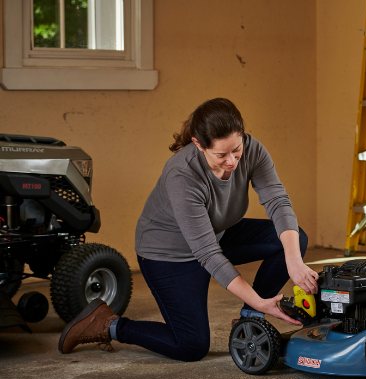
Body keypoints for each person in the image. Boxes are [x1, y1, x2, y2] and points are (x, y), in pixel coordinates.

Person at [59, 98, 319, 361]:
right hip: (169, 255)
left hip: (217, 235)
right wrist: (258, 298)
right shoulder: (182, 174)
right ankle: (107, 324)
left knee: (292, 239)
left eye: (236, 150)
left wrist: (294, 262)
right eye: (221, 155)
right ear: (198, 144)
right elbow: (208, 254)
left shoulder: (252, 150)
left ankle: (249, 321)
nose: (232, 161)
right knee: (191, 347)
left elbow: (277, 200)